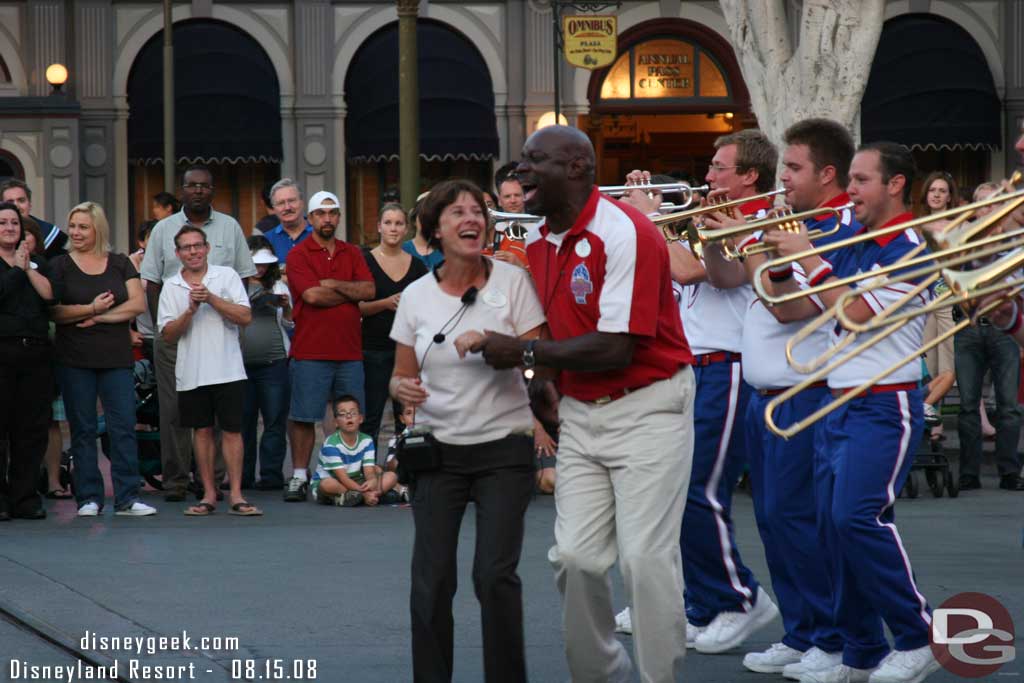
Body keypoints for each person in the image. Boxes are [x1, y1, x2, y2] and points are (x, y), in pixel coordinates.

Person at [476, 127, 695, 682]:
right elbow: (561, 332)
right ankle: (599, 675)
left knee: (645, 561)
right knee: (573, 559)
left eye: (535, 161)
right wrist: (539, 379)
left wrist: (523, 352)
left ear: (576, 168)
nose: (520, 171)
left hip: (648, 408)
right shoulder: (542, 242)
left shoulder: (627, 232)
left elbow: (616, 344)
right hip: (582, 412)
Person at [764, 141, 940, 683]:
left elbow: (856, 313)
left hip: (884, 401)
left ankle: (918, 633)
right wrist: (778, 262)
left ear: (894, 185)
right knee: (831, 528)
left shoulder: (912, 245)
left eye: (862, 181)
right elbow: (803, 306)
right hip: (837, 401)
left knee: (856, 519)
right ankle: (860, 651)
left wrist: (810, 257)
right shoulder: (856, 239)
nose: (852, 192)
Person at [700, 118, 857, 678]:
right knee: (771, 518)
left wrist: (749, 241)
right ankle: (802, 631)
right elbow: (724, 279)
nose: (782, 178)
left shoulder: (835, 229)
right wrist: (716, 237)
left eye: (793, 169)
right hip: (764, 390)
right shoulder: (783, 220)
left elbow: (786, 306)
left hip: (803, 389)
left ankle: (831, 637)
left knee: (799, 520)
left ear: (827, 174)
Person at [616, 129, 780, 652]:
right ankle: (703, 601)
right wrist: (657, 214)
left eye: (718, 167)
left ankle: (739, 598)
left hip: (727, 366)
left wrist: (648, 216)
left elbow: (690, 269)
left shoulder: (760, 217)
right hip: (696, 367)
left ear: (750, 175)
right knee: (675, 493)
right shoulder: (710, 216)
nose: (707, 176)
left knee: (699, 493)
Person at [390, 179, 545, 682]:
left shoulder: (512, 282)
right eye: (457, 212)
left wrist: (496, 343)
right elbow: (401, 375)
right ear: (436, 229)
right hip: (439, 453)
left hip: (505, 448)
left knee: (494, 575)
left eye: (477, 210)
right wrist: (403, 390)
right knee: (431, 581)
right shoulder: (415, 296)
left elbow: (540, 364)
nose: (470, 219)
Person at [140, 165, 256, 502]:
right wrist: (161, 330)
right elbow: (152, 283)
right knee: (175, 411)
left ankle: (214, 483)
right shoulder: (164, 229)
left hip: (222, 335)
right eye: (192, 186)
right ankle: (175, 480)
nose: (198, 191)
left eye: (205, 186)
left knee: (219, 413)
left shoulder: (230, 227)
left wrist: (232, 322)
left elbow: (243, 279)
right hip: (176, 334)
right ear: (182, 189)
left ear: (213, 190)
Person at [48, 202, 156, 517]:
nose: (76, 232)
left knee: (122, 426)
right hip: (74, 359)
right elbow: (54, 311)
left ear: (98, 229)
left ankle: (127, 497)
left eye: (83, 226)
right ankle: (88, 498)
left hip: (116, 358)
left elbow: (136, 304)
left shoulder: (120, 263)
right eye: (73, 226)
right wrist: (89, 309)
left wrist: (101, 317)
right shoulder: (60, 266)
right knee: (81, 429)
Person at [157, 224, 259, 517]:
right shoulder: (171, 286)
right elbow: (168, 335)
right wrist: (190, 310)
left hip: (228, 369)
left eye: (197, 245)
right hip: (191, 372)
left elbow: (245, 316)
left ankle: (236, 494)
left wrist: (211, 299)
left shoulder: (225, 276)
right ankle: (208, 494)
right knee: (200, 432)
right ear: (178, 253)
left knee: (232, 431)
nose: (193, 251)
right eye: (186, 247)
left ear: (207, 247)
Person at [284, 191, 374, 502]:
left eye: (332, 213)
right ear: (310, 219)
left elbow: (369, 289)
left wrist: (333, 284)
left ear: (338, 217)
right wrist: (350, 293)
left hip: (349, 352)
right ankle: (298, 475)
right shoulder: (298, 254)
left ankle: (355, 474)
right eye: (320, 214)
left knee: (351, 415)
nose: (327, 219)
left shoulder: (352, 252)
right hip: (310, 351)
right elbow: (311, 297)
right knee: (303, 416)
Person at [955, 178, 1024, 491]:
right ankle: (969, 472)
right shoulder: (962, 242)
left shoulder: (1015, 243)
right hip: (969, 329)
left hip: (1005, 330)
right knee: (968, 404)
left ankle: (1009, 470)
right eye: (981, 205)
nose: (987, 210)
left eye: (993, 204)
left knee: (1008, 405)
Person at [0, 201, 54, 521]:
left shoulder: (39, 264)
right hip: (2, 353)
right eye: (3, 223)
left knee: (31, 430)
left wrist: (28, 267)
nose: (9, 228)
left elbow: (51, 296)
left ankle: (25, 496)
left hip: (35, 354)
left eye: (14, 224)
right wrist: (17, 270)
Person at [359, 202, 428, 447]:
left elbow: (426, 309)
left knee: (407, 419)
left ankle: (402, 476)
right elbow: (356, 308)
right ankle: (367, 474)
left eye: (399, 223)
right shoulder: (364, 261)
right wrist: (385, 303)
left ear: (406, 228)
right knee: (371, 417)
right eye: (388, 223)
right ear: (378, 227)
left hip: (407, 351)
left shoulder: (418, 266)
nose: (393, 228)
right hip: (373, 349)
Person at [240, 236, 293, 490]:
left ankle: (271, 475)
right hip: (240, 363)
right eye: (255, 264)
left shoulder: (280, 286)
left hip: (274, 362)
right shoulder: (235, 285)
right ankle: (243, 475)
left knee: (274, 420)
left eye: (264, 264)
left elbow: (289, 325)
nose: (259, 269)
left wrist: (287, 307)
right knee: (243, 421)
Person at [917, 172, 959, 436]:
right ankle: (932, 418)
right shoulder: (916, 225)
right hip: (924, 299)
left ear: (949, 196)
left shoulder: (957, 225)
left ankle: (933, 414)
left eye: (942, 191)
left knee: (948, 365)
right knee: (928, 365)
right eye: (932, 190)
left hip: (947, 297)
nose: (936, 194)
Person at [311, 395, 398, 507]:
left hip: (357, 480)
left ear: (360, 419)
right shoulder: (331, 445)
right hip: (336, 482)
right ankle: (365, 497)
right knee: (327, 484)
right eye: (342, 414)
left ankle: (366, 496)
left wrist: (372, 481)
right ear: (336, 422)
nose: (348, 417)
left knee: (391, 476)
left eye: (353, 413)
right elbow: (342, 477)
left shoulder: (367, 440)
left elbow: (369, 471)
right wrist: (364, 493)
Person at [0, 178, 67, 258]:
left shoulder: (51, 234)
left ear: (30, 204)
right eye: (10, 202)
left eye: (21, 200)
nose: (16, 206)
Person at [265, 178, 312, 264]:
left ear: (302, 203)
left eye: (291, 201)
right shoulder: (267, 240)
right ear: (274, 209)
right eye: (281, 203)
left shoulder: (318, 234)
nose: (287, 207)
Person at [402, 194, 445, 270]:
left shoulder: (447, 252)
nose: (426, 221)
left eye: (431, 217)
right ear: (414, 220)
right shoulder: (402, 250)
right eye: (423, 216)